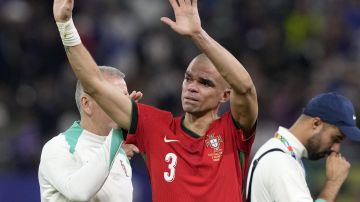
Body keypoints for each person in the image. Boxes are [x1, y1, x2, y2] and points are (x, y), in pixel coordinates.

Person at [52, 0, 258, 201]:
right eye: (188, 78)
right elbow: (94, 84)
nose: (192, 87)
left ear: (225, 95)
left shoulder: (233, 131)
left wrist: (198, 34)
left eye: (205, 83)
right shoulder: (155, 126)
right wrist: (65, 25)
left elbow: (246, 88)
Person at [38, 66, 141, 202]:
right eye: (114, 97)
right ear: (87, 104)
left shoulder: (119, 153)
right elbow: (78, 193)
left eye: (125, 97)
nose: (123, 105)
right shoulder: (58, 147)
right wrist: (117, 133)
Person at [246, 92, 360, 202]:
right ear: (316, 123)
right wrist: (333, 182)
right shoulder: (281, 161)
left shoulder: (283, 153)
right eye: (335, 138)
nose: (336, 149)